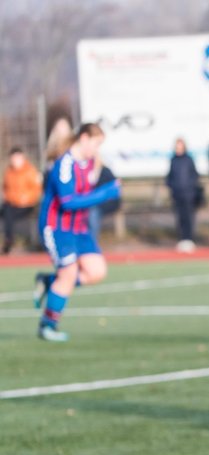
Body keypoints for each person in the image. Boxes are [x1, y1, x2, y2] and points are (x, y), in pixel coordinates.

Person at [32, 123, 121, 342]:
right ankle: (47, 325)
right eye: (96, 143)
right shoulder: (64, 165)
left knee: (96, 271)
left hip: (79, 228)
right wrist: (105, 193)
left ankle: (49, 281)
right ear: (83, 138)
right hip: (57, 228)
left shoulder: (88, 162)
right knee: (69, 273)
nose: (97, 149)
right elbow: (68, 202)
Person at [2, 147, 42, 253]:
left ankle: (9, 240)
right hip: (12, 205)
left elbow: (36, 190)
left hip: (27, 205)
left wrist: (26, 199)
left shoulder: (30, 171)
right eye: (13, 158)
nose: (15, 161)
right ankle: (8, 240)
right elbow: (6, 189)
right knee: (7, 210)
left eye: (17, 158)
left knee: (8, 213)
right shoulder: (9, 172)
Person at [166, 137, 200, 252]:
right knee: (179, 218)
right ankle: (182, 240)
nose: (178, 148)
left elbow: (194, 175)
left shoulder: (189, 159)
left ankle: (189, 239)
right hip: (177, 194)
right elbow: (170, 176)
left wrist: (190, 188)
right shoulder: (173, 160)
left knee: (189, 218)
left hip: (188, 194)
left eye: (180, 146)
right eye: (177, 146)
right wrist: (172, 186)